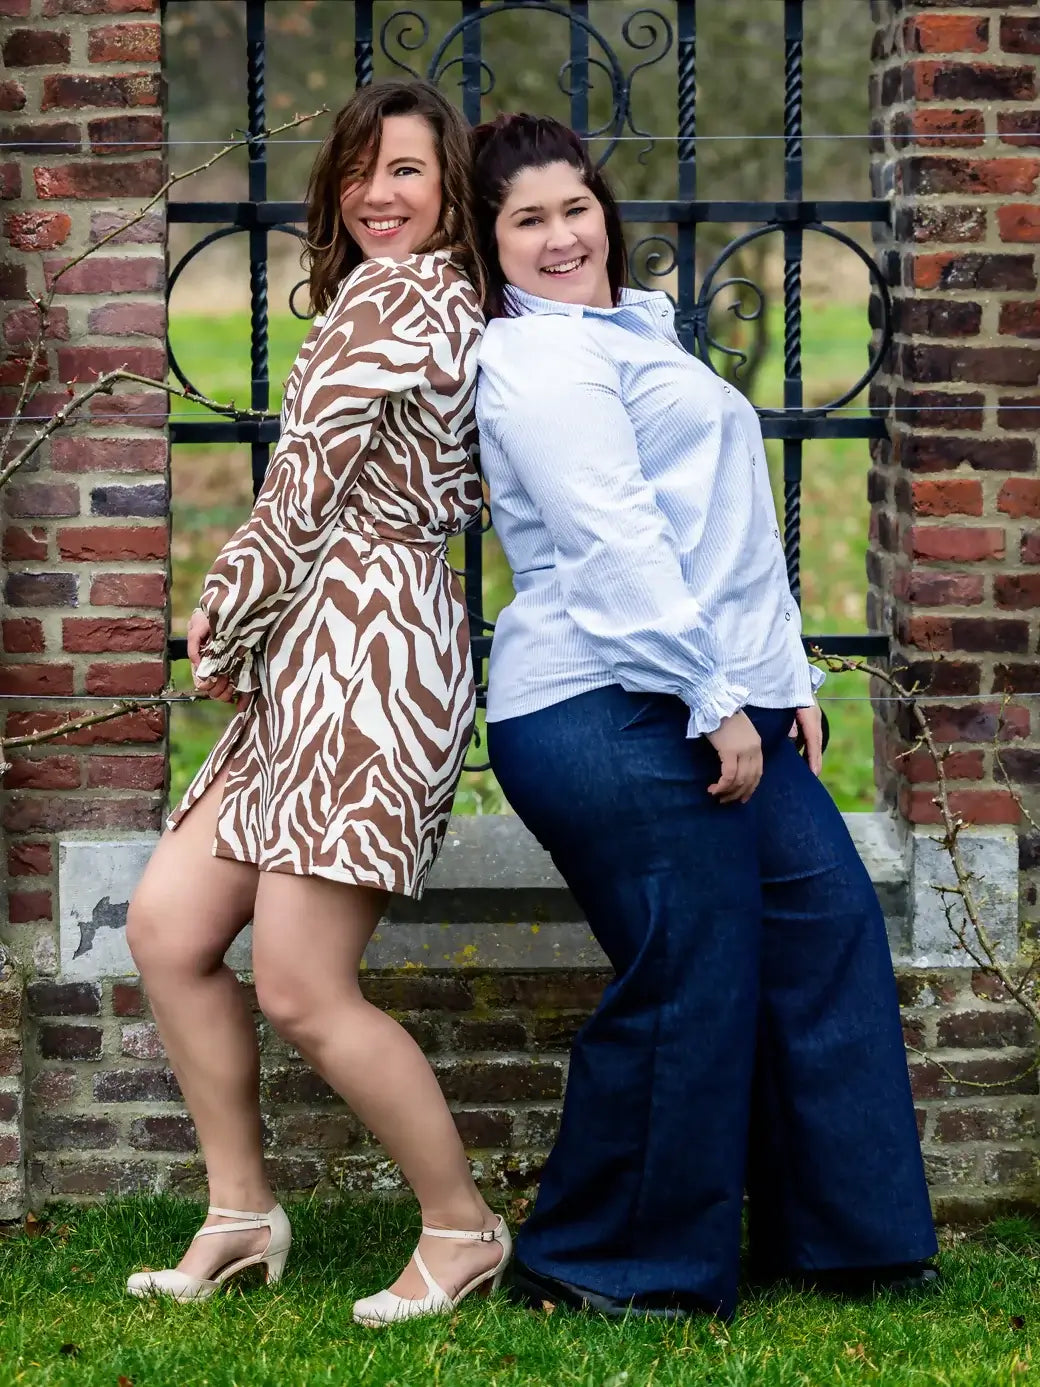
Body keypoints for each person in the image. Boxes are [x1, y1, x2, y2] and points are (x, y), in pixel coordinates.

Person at [470, 113, 938, 1321]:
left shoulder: (630, 331)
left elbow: (725, 527)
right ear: (492, 244)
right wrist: (715, 697)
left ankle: (845, 1234)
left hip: (707, 691)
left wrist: (784, 680)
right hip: (601, 699)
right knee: (691, 966)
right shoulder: (533, 363)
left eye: (574, 206)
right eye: (528, 219)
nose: (562, 234)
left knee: (823, 916)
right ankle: (599, 1263)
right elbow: (615, 541)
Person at [124, 79, 510, 1325]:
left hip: (372, 657)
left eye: (405, 169)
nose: (376, 194)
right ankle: (240, 1211)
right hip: (317, 653)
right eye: (358, 169)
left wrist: (222, 609)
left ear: (449, 184)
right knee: (171, 926)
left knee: (297, 984)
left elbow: (302, 486)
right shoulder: (404, 297)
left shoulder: (404, 295)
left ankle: (461, 1228)